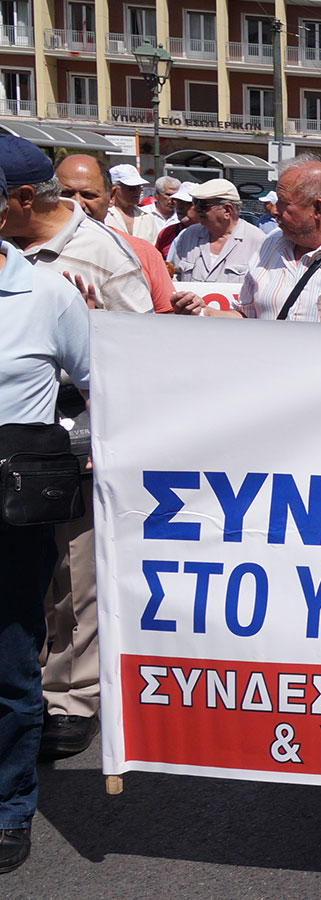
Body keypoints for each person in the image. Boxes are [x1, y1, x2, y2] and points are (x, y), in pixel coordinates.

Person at [0, 161, 93, 874]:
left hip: (12, 511)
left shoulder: (48, 293)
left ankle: (8, 809)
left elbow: (103, 386)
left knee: (11, 662)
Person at [178, 153, 321, 324]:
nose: (273, 210)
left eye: (283, 203)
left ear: (317, 208)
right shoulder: (269, 245)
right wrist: (204, 312)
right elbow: (246, 316)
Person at [0, 137, 153, 314]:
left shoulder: (108, 253)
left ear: (25, 197)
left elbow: (139, 329)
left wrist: (85, 321)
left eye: (89, 195)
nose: (80, 201)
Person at [55, 155, 174, 315]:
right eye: (66, 194)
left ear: (111, 197)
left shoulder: (144, 253)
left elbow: (166, 316)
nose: (78, 204)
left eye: (89, 195)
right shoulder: (28, 250)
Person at [167, 179, 267, 283]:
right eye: (195, 202)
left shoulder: (258, 242)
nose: (196, 209)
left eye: (203, 205)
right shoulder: (188, 235)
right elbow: (175, 276)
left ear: (227, 210)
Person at [103, 164, 162, 243]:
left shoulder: (147, 218)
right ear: (114, 189)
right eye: (131, 188)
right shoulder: (104, 216)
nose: (137, 192)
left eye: (139, 187)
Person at [154, 182, 199, 258]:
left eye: (186, 203)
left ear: (199, 206)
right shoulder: (167, 233)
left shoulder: (211, 233)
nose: (179, 207)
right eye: (177, 202)